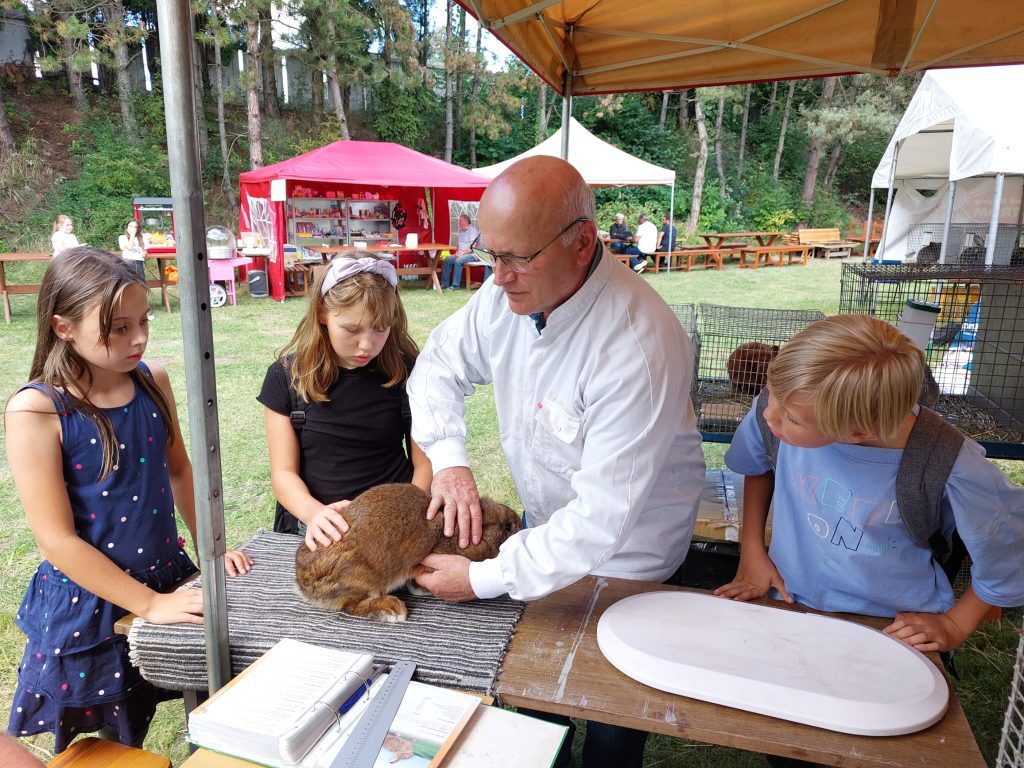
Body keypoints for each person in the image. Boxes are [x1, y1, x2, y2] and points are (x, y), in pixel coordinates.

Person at [406, 156, 706, 768]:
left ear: (582, 242)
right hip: (544, 535)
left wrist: (481, 579)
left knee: (612, 713)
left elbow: (600, 522)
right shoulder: (506, 296)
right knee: (535, 697)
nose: (498, 277)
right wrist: (450, 461)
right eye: (489, 255)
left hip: (631, 560)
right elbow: (437, 366)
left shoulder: (637, 344)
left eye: (515, 257)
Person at [4, 247, 252, 753]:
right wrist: (148, 604)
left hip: (167, 575)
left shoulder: (151, 380)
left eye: (143, 321)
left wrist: (211, 544)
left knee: (202, 701)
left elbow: (180, 468)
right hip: (90, 599)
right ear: (63, 326)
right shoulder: (37, 410)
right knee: (111, 743)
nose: (138, 337)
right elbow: (56, 539)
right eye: (118, 328)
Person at [715, 315, 1024, 655]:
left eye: (792, 418)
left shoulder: (952, 462)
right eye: (771, 395)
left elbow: (1006, 553)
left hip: (893, 626)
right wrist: (753, 550)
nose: (769, 415)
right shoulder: (783, 406)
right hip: (789, 601)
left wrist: (954, 624)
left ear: (857, 433)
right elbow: (757, 466)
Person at [257, 254, 431, 549]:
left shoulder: (406, 371)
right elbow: (283, 474)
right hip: (319, 527)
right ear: (323, 313)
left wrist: (406, 515)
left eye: (381, 328)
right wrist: (315, 514)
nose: (367, 344)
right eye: (352, 329)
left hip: (399, 525)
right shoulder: (285, 378)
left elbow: (425, 463)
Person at [439, 214, 484, 290]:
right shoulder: (461, 231)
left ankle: (455, 286)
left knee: (458, 260)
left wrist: (461, 254)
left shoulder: (472, 231)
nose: (459, 223)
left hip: (473, 254)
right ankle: (444, 284)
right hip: (462, 254)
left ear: (466, 222)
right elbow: (459, 245)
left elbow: (472, 247)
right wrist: (457, 253)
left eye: (460, 221)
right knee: (447, 259)